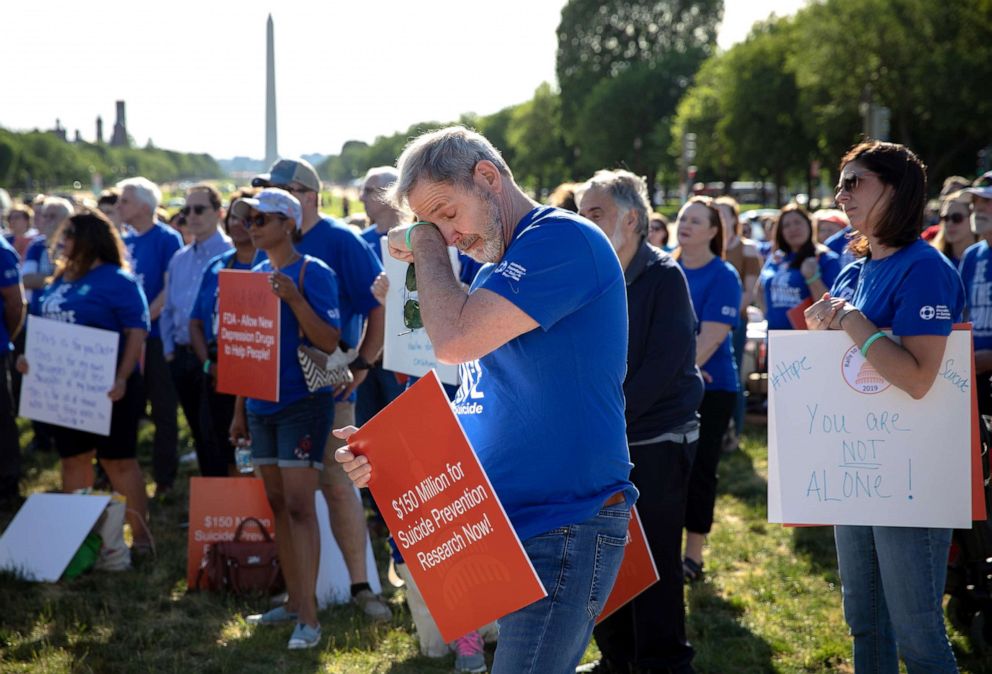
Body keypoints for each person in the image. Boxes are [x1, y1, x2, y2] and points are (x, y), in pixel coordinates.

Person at [334, 126, 637, 674]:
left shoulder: (562, 239)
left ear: (488, 177)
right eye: (435, 224)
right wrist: (387, 458)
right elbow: (483, 399)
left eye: (447, 214)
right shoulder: (499, 264)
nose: (448, 235)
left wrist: (422, 241)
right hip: (508, 525)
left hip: (567, 521)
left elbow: (451, 343)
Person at [805, 140, 964, 673]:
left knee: (918, 636)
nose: (840, 193)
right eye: (840, 181)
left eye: (855, 182)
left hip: (912, 475)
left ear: (894, 191)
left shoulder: (926, 268)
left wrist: (848, 321)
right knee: (865, 622)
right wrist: (821, 330)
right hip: (859, 469)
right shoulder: (855, 267)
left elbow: (918, 378)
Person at [252, 158, 391, 620]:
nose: (269, 201)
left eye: (281, 190)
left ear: (307, 195)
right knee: (288, 497)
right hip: (277, 394)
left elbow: (378, 306)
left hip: (330, 387)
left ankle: (361, 587)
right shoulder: (269, 242)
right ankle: (299, 594)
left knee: (336, 485)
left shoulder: (341, 240)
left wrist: (365, 366)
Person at [578, 170, 702, 674]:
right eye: (581, 213)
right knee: (605, 556)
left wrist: (601, 422)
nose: (583, 222)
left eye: (595, 213)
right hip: (604, 441)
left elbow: (662, 368)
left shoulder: (665, 277)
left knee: (653, 563)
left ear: (631, 219)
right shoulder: (590, 276)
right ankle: (616, 657)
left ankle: (663, 662)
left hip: (653, 441)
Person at [229, 189, 341, 650]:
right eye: (248, 218)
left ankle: (309, 619)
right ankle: (295, 603)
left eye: (261, 218)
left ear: (289, 223)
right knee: (277, 507)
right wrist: (239, 412)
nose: (251, 225)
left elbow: (331, 341)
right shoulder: (249, 276)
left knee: (299, 507)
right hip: (260, 408)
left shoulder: (314, 271)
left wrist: (295, 299)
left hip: (301, 404)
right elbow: (242, 349)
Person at [17, 210, 152, 551]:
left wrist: (122, 377)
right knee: (73, 459)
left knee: (118, 461)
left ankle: (140, 539)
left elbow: (137, 331)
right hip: (65, 390)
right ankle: (80, 541)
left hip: (111, 389)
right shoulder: (60, 281)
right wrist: (27, 358)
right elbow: (38, 325)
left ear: (89, 240)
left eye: (69, 235)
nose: (61, 242)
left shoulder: (118, 279)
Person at [673, 196, 742, 583]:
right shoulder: (665, 267)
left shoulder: (724, 275)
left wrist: (678, 371)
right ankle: (659, 551)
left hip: (711, 390)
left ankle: (693, 556)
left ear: (715, 231)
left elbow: (711, 338)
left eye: (697, 221)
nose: (686, 224)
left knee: (699, 471)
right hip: (670, 386)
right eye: (683, 217)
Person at [160, 184, 232, 478]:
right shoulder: (180, 258)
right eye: (186, 210)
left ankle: (230, 505)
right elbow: (168, 308)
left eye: (199, 209)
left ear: (218, 213)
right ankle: (212, 505)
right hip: (181, 356)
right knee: (198, 433)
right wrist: (168, 352)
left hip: (217, 360)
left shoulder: (233, 255)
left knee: (218, 432)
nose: (192, 216)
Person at [119, 177, 184, 497]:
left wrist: (142, 322)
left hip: (155, 337)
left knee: (162, 409)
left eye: (125, 200)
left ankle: (164, 477)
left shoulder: (167, 239)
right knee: (128, 406)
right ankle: (120, 472)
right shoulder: (124, 240)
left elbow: (169, 290)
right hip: (129, 337)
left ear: (145, 206)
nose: (119, 206)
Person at [189, 191, 259, 473]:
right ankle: (233, 511)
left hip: (257, 374)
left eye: (247, 219)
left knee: (256, 452)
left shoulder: (268, 265)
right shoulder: (216, 266)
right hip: (218, 372)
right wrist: (208, 362)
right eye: (232, 217)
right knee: (222, 447)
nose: (237, 224)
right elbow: (195, 322)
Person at [715, 196, 761, 452]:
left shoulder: (747, 249)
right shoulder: (709, 247)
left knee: (734, 378)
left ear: (734, 218)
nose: (720, 219)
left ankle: (735, 433)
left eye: (724, 213)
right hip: (709, 324)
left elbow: (749, 291)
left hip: (735, 323)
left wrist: (723, 318)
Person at [759, 204, 841, 330]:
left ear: (809, 225)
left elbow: (832, 306)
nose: (793, 228)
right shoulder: (776, 258)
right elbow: (759, 290)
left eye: (798, 222)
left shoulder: (826, 259)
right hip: (775, 338)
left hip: (807, 340)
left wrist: (813, 278)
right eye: (786, 225)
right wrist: (768, 315)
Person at [958, 171, 992, 417]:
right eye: (975, 203)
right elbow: (962, 312)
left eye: (987, 202)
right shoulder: (971, 255)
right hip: (972, 377)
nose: (978, 209)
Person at [0, 233, 25, 509]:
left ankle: (7, 484)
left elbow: (16, 304)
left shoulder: (1, 250)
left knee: (1, 419)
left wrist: (7, 337)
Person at [929, 190, 976, 267]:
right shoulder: (935, 259)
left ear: (972, 218)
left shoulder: (984, 258)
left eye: (957, 218)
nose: (949, 224)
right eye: (945, 218)